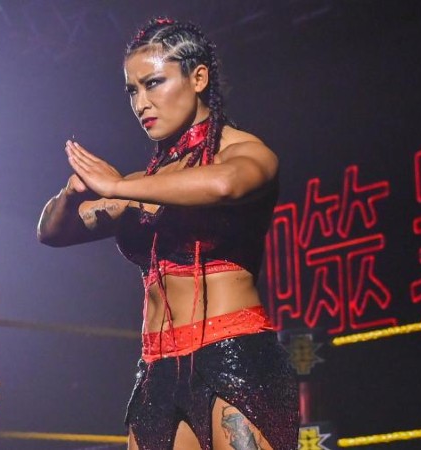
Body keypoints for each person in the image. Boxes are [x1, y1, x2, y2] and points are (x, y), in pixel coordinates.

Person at [37, 17, 299, 450]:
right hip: (156, 368)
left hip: (232, 352)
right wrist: (70, 194)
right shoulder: (142, 183)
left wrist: (117, 187)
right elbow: (51, 232)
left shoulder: (243, 151)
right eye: (132, 91)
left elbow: (224, 184)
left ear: (198, 78)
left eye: (154, 83)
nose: (142, 103)